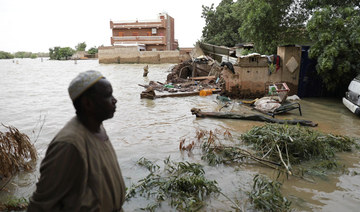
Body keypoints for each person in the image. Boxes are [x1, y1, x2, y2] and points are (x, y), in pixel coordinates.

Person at [28, 70, 126, 212]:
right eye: (107, 95)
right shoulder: (68, 145)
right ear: (87, 103)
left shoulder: (97, 128)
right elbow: (41, 205)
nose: (114, 100)